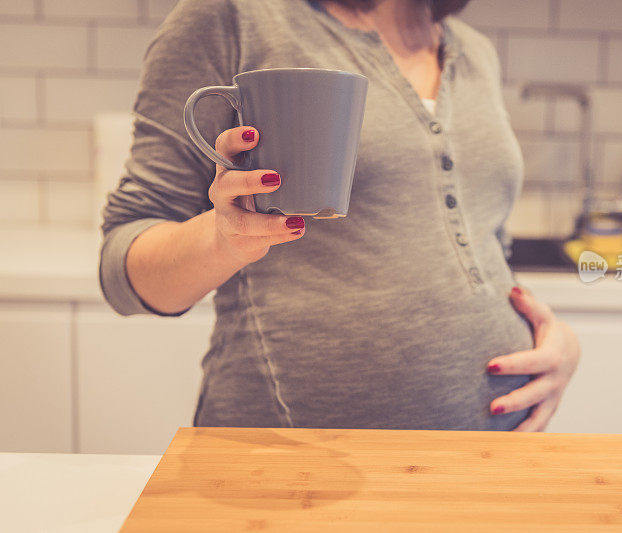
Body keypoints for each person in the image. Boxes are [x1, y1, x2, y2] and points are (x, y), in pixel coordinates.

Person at [100, 0, 580, 432]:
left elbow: (479, 239)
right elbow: (123, 270)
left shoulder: (474, 49)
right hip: (299, 455)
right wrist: (224, 237)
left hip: (497, 445)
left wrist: (555, 343)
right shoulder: (233, 17)